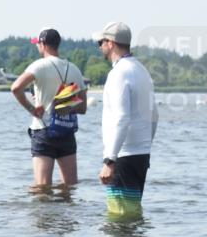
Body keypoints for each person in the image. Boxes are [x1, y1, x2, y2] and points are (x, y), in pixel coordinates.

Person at [94, 21, 158, 217]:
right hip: (140, 155)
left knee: (120, 217)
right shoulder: (141, 70)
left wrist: (109, 160)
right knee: (132, 214)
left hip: (124, 156)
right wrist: (145, 145)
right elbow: (154, 115)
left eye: (101, 42)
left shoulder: (119, 73)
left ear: (111, 43)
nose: (100, 46)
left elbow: (122, 118)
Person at [10, 28, 87, 187]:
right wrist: (65, 107)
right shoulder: (74, 69)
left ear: (43, 44)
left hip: (43, 130)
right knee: (70, 187)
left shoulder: (38, 66)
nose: (37, 46)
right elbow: (83, 107)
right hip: (66, 130)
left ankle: (43, 212)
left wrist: (33, 110)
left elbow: (16, 88)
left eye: (38, 43)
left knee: (42, 188)